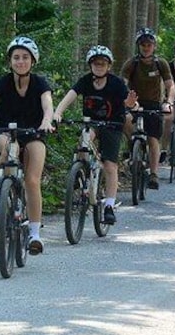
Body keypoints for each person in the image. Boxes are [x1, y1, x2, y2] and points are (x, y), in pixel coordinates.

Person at [0, 36, 55, 255]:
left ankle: (35, 234)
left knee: (32, 180)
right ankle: (0, 191)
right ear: (10, 61)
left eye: (25, 57)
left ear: (33, 61)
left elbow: (48, 106)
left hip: (34, 134)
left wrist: (46, 122)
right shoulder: (3, 82)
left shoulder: (40, 83)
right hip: (6, 132)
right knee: (9, 147)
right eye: (16, 57)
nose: (20, 61)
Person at [53, 45, 136, 225]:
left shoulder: (116, 83)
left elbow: (127, 103)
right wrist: (58, 112)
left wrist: (129, 104)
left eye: (102, 63)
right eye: (95, 63)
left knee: (109, 165)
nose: (99, 66)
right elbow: (70, 96)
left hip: (112, 125)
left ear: (109, 66)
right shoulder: (85, 81)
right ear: (90, 65)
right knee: (84, 141)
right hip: (91, 123)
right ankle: (79, 172)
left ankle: (109, 206)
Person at [120, 27, 175, 190]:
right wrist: (126, 100)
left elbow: (170, 85)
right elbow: (122, 83)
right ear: (138, 46)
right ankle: (132, 148)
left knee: (152, 139)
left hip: (153, 105)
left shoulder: (161, 63)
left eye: (149, 44)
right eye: (143, 44)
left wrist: (168, 101)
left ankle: (153, 174)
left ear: (154, 46)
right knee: (125, 121)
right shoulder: (131, 63)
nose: (146, 47)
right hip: (134, 103)